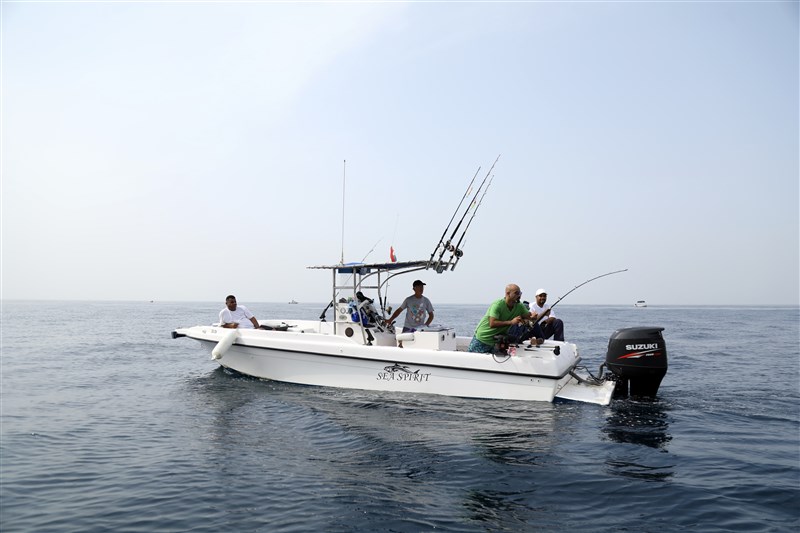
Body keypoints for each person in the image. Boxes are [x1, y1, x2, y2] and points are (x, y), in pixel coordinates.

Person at [468, 284, 544, 353]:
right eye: (516, 293)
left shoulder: (519, 306)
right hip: (482, 339)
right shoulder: (498, 305)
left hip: (495, 342)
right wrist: (511, 322)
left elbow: (529, 316)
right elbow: (492, 323)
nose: (519, 295)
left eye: (520, 293)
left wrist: (533, 317)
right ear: (508, 293)